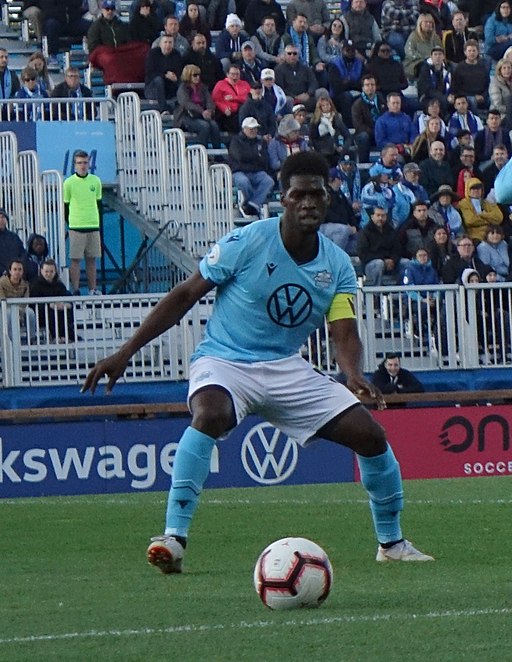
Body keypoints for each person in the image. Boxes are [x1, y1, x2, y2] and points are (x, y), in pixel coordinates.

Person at [82, 151, 434, 573]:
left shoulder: (337, 264)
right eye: (299, 195)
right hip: (225, 360)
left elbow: (344, 329)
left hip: (286, 367)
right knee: (210, 413)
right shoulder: (246, 241)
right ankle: (173, 538)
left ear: (327, 199)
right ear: (283, 199)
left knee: (371, 436)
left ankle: (391, 543)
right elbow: (184, 296)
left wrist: (352, 373)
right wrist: (124, 353)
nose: (309, 203)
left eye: (317, 196)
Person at [63, 150, 102, 295]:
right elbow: (66, 205)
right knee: (75, 259)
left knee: (91, 260)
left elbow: (98, 203)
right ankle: (76, 290)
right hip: (76, 226)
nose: (83, 166)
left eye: (85, 162)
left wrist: (96, 221)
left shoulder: (95, 181)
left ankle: (93, 289)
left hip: (92, 225)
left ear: (89, 163)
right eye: (79, 163)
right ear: (74, 165)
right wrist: (71, 222)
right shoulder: (69, 183)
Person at [228, 117, 275, 217]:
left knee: (268, 181)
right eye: (251, 129)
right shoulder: (236, 140)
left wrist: (254, 157)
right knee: (243, 182)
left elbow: (265, 159)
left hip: (256, 171)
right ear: (244, 129)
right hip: (239, 171)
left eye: (255, 128)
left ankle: (251, 204)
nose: (253, 131)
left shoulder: (260, 141)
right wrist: (256, 156)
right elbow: (240, 157)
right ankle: (252, 205)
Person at [174, 65, 222, 149]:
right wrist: (202, 111)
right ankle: (202, 151)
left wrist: (210, 110)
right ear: (188, 75)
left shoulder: (203, 87)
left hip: (201, 116)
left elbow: (209, 100)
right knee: (204, 126)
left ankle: (218, 154)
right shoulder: (182, 88)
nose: (198, 77)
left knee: (214, 125)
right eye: (195, 75)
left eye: (199, 75)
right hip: (186, 117)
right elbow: (186, 103)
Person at [29, 258, 76, 343]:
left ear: (55, 272)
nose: (49, 274)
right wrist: (49, 305)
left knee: (64, 310)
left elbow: (66, 297)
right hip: (41, 315)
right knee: (51, 311)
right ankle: (56, 336)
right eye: (46, 271)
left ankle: (65, 335)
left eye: (51, 271)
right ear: (41, 271)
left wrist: (65, 305)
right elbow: (32, 304)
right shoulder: (35, 285)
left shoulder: (60, 285)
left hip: (58, 312)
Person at [357, 205, 404, 284]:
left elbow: (398, 249)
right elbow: (363, 254)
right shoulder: (365, 232)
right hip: (371, 264)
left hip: (391, 263)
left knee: (405, 263)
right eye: (378, 215)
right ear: (372, 216)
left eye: (383, 216)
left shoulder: (391, 231)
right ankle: (376, 293)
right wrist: (383, 259)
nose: (380, 218)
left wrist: (393, 260)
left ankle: (402, 291)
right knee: (379, 263)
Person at [144, 34, 184, 115]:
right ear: (161, 44)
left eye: (170, 42)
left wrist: (175, 76)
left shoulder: (176, 54)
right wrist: (165, 75)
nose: (167, 45)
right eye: (165, 42)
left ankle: (183, 110)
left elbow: (179, 70)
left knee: (182, 82)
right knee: (158, 80)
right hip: (152, 89)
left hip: (170, 87)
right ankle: (163, 109)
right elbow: (150, 72)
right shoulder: (153, 54)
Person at [309, 94, 353, 166]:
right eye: (323, 105)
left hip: (334, 152)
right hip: (320, 153)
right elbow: (312, 138)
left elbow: (347, 136)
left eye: (327, 104)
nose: (326, 107)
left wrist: (343, 148)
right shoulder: (315, 121)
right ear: (319, 107)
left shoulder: (336, 119)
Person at [351, 74, 386, 162]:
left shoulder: (381, 99)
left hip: (381, 132)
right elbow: (358, 126)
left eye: (372, 85)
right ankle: (364, 164)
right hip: (367, 133)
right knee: (363, 136)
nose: (370, 87)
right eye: (367, 85)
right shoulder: (357, 104)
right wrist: (374, 132)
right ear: (362, 88)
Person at [0, 259, 36, 342]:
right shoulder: (1, 283)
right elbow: (2, 299)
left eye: (20, 269)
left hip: (20, 309)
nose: (17, 272)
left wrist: (20, 312)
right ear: (10, 271)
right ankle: (9, 340)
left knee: (30, 313)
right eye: (15, 269)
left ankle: (32, 338)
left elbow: (25, 301)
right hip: (5, 309)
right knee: (8, 314)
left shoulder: (25, 285)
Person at [458, 177, 503, 242]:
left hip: (491, 235)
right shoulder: (464, 203)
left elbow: (499, 217)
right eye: (473, 188)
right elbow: (470, 220)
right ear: (468, 190)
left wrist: (482, 215)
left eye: (478, 188)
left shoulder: (486, 202)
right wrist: (489, 220)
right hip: (475, 236)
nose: (476, 190)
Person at [211, 64, 251, 133]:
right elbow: (215, 99)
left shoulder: (245, 84)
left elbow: (248, 98)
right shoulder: (220, 84)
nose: (235, 77)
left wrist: (234, 98)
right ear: (227, 74)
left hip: (243, 111)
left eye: (237, 74)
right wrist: (224, 108)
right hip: (228, 114)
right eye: (232, 74)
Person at [403, 13, 442, 79]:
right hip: (415, 63)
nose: (428, 24)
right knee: (425, 67)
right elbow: (409, 52)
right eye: (426, 22)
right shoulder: (414, 36)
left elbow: (440, 50)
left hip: (434, 61)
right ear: (420, 24)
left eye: (430, 22)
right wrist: (426, 58)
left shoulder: (435, 37)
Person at [0, 209, 25, 277]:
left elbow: (22, 254)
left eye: (3, 217)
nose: (1, 220)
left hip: (16, 275)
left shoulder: (14, 237)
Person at [489, 58, 512, 122]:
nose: (507, 70)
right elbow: (497, 106)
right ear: (499, 70)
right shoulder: (495, 83)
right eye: (504, 68)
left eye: (509, 68)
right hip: (500, 115)